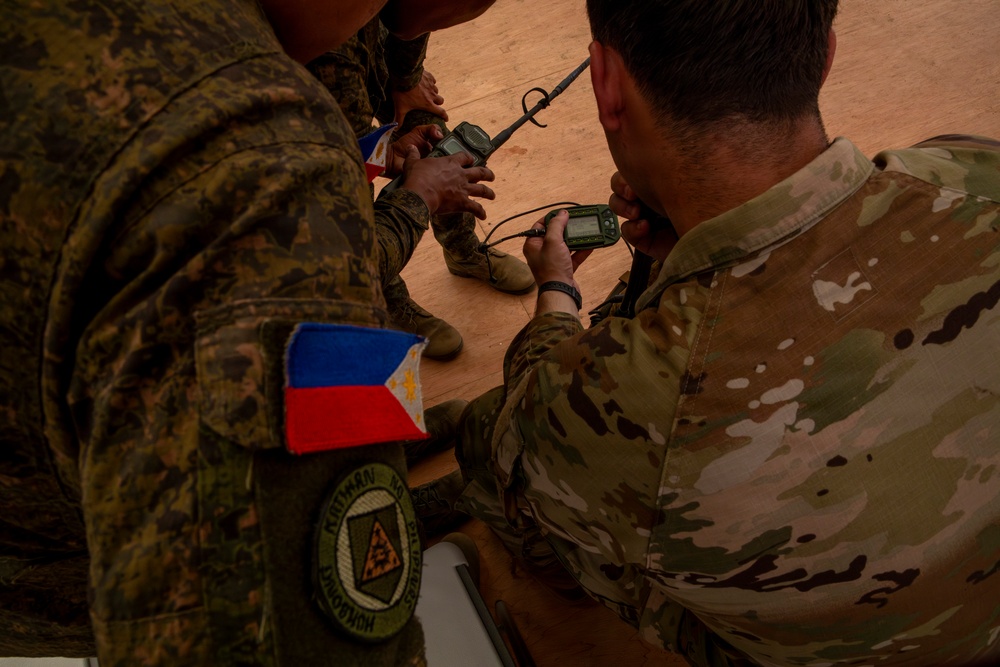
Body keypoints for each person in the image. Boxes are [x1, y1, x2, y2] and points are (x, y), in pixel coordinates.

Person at [422, 1, 1000, 665]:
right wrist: (683, 260)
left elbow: (529, 416)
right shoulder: (973, 173)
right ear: (826, 56)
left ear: (606, 85)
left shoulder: (624, 400)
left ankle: (556, 569)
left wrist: (557, 291)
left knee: (488, 435)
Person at [0, 0, 495, 663]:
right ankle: (354, 511)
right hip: (64, 557)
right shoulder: (263, 144)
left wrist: (378, 152)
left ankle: (363, 472)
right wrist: (416, 198)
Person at [307, 11, 534, 361]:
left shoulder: (379, 25)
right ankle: (387, 300)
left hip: (366, 49)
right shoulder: (328, 62)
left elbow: (416, 19)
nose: (437, 25)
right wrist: (421, 193)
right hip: (319, 88)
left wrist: (407, 78)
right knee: (360, 210)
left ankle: (462, 252)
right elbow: (347, 262)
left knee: (437, 140)